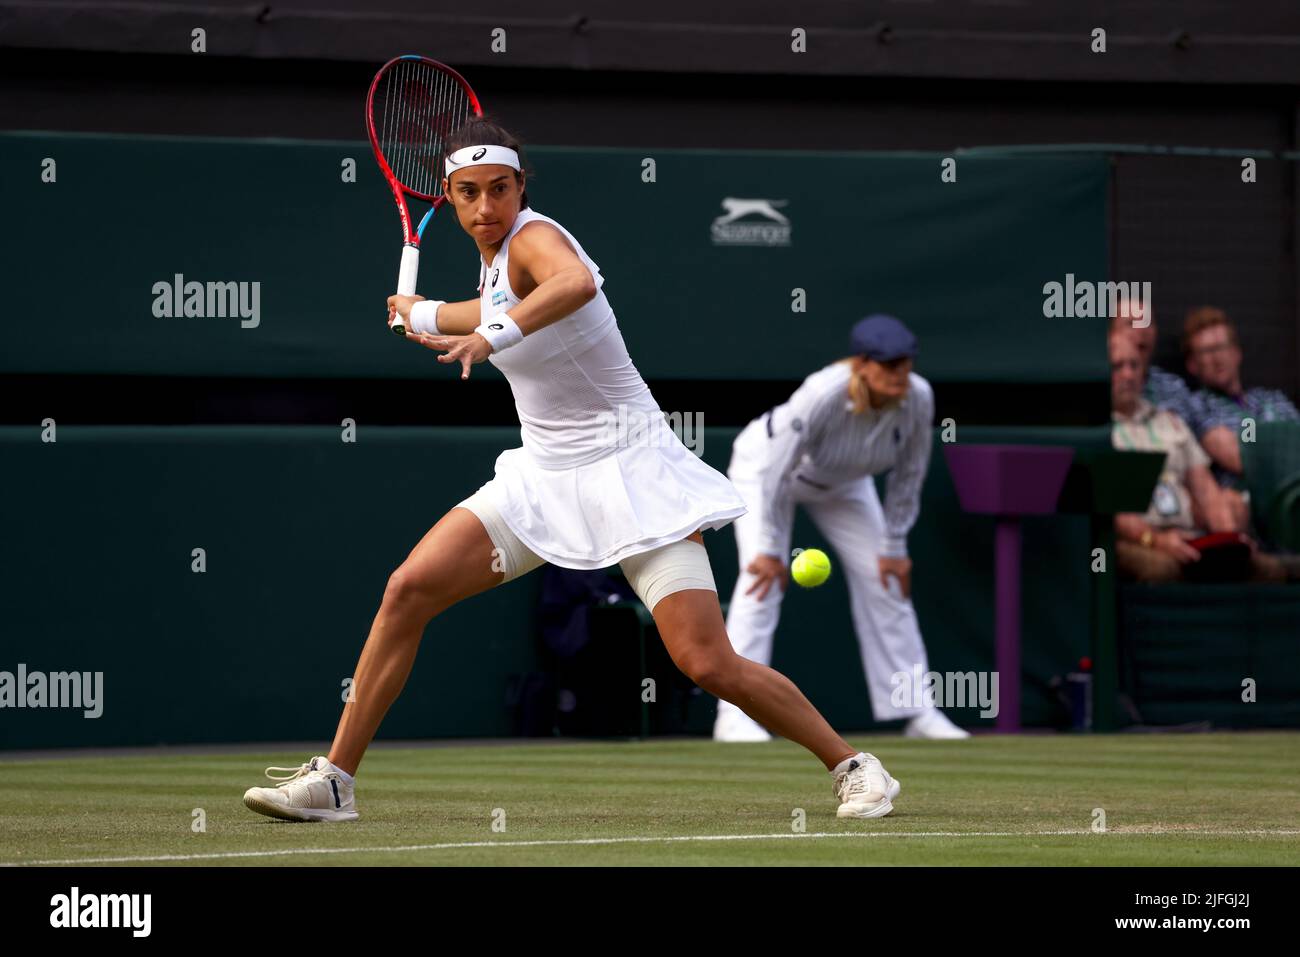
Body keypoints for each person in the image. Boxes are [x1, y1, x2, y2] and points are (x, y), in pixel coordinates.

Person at [241, 118, 901, 822]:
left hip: (632, 471)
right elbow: (485, 305)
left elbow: (574, 282)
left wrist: (489, 336)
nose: (486, 206)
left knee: (706, 661)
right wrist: (424, 313)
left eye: (500, 189)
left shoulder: (535, 238)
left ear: (521, 187)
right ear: (449, 198)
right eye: (469, 192)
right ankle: (335, 780)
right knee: (407, 589)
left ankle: (854, 766)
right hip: (542, 478)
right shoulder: (498, 266)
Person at [715, 314, 969, 742]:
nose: (901, 373)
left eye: (906, 363)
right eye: (889, 364)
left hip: (845, 483)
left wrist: (894, 546)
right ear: (862, 364)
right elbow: (775, 472)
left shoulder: (918, 396)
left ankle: (917, 711)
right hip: (768, 472)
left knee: (888, 581)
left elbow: (910, 473)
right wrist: (769, 547)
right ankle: (734, 715)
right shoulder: (823, 393)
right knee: (762, 580)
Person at [1109, 329, 1284, 583]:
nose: (1128, 374)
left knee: (1264, 568)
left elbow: (1206, 491)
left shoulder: (1170, 422)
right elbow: (1108, 511)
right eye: (1117, 366)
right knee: (1163, 570)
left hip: (1188, 534)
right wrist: (1155, 540)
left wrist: (1231, 538)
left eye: (1134, 366)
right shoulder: (1096, 430)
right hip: (1137, 539)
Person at [1180, 306, 1299, 520]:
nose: (1217, 358)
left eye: (1222, 347)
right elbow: (1242, 458)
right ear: (1192, 365)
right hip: (1254, 508)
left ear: (1236, 353)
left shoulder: (1272, 399)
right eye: (1207, 352)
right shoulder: (1198, 406)